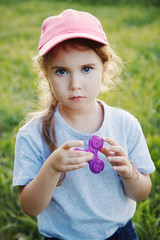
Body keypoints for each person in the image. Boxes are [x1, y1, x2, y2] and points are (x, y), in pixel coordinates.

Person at [13, 9, 155, 240]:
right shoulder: (32, 134)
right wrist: (51, 168)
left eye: (86, 69)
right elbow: (30, 207)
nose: (75, 84)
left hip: (119, 234)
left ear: (104, 69)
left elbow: (141, 193)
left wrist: (130, 172)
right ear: (46, 74)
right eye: (61, 71)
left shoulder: (125, 124)